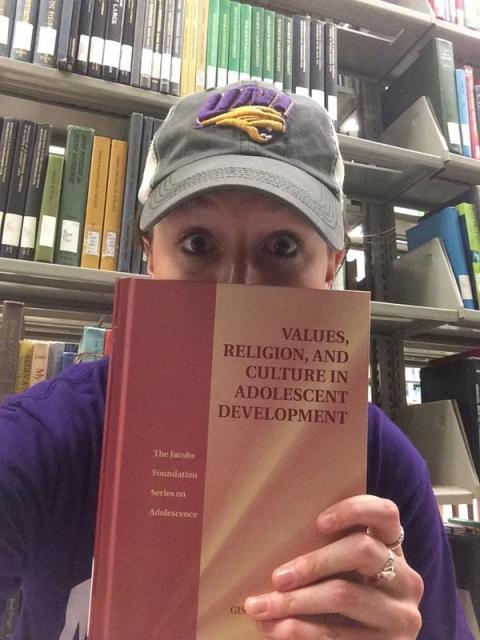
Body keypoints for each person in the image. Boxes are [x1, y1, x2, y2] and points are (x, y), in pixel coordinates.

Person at [0, 80, 473, 640]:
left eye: (282, 248)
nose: (237, 286)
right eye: (197, 244)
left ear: (331, 266)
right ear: (149, 255)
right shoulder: (50, 436)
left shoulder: (382, 466)